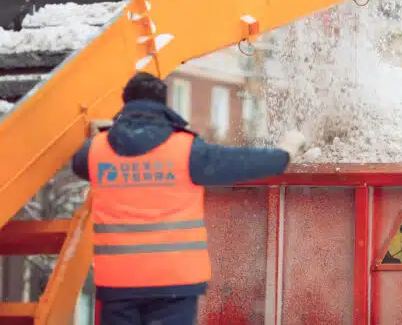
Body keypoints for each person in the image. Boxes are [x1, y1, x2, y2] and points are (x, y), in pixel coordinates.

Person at [71, 72, 306, 325]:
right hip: (174, 282)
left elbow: (80, 164)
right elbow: (240, 162)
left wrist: (104, 131)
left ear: (125, 101)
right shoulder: (186, 150)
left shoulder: (95, 150)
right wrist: (284, 154)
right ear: (164, 101)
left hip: (118, 283)